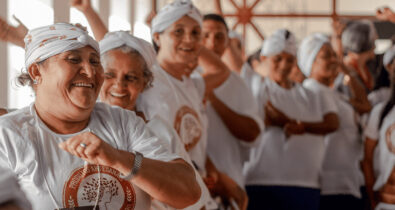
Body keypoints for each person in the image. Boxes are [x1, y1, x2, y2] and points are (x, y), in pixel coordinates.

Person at [0, 22, 200, 210]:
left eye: (95, 61)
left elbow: (189, 191)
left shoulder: (122, 121)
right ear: (36, 71)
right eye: (74, 59)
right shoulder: (7, 135)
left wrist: (118, 159)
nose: (90, 71)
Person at [98, 30, 216, 210]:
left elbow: (194, 200)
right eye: (109, 75)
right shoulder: (84, 128)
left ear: (144, 83)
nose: (119, 85)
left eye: (131, 77)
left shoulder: (160, 132)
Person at [243, 29, 339, 210]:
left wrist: (289, 123)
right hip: (261, 182)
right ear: (264, 59)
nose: (284, 65)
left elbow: (332, 124)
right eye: (277, 59)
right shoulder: (256, 88)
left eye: (290, 59)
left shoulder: (310, 95)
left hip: (307, 184)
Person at [200, 13, 263, 207]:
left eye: (219, 36)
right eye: (205, 35)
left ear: (227, 41)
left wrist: (211, 97)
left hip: (230, 181)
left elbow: (253, 133)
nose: (212, 42)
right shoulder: (181, 79)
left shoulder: (237, 83)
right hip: (193, 182)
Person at [299, 33, 366, 210]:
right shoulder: (312, 90)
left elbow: (364, 106)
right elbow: (331, 125)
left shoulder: (333, 94)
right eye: (325, 56)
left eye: (333, 55)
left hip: (348, 180)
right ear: (311, 62)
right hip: (331, 184)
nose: (332, 60)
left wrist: (346, 69)